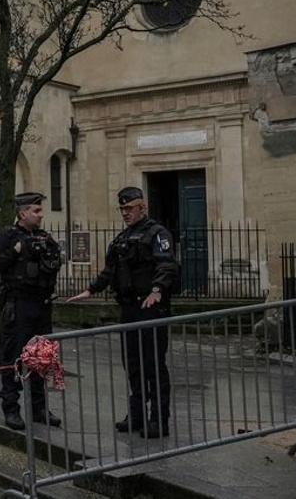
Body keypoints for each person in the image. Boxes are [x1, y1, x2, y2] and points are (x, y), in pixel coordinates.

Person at [67, 186, 180, 439]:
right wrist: (90, 290)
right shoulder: (121, 239)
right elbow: (110, 271)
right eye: (122, 209)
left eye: (130, 208)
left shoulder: (157, 234)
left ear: (143, 207)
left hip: (151, 308)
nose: (125, 213)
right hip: (129, 308)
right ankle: (137, 415)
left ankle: (159, 420)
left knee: (153, 365)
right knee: (133, 365)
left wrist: (157, 289)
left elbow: (167, 265)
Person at [0, 192, 64, 431]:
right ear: (22, 213)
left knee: (41, 357)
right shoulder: (6, 237)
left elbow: (53, 264)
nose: (40, 215)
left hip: (41, 304)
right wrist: (15, 252)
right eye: (36, 211)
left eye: (40, 211)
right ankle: (11, 407)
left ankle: (39, 408)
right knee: (14, 357)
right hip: (18, 305)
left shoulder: (44, 238)